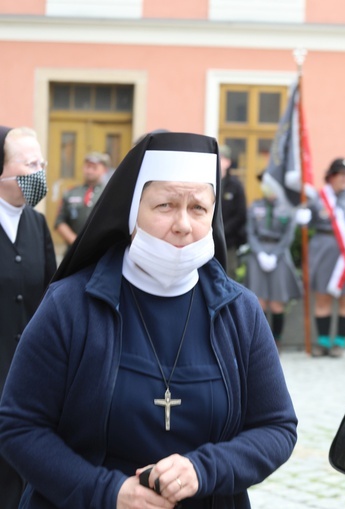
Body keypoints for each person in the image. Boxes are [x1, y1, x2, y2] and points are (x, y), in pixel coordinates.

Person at [0, 131, 297, 508]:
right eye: (165, 205)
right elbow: (20, 426)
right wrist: (108, 492)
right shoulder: (70, 305)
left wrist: (204, 469)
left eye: (198, 208)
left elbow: (277, 427)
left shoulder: (241, 311)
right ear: (131, 210)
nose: (183, 225)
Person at [0, 126, 56, 509]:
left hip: (29, 375)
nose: (40, 172)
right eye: (30, 164)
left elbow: (54, 295)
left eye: (42, 163)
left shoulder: (37, 224)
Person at [307, 157, 345, 357]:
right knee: (322, 296)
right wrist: (302, 219)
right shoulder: (317, 198)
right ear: (331, 176)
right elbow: (307, 224)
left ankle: (339, 342)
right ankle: (322, 342)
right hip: (323, 249)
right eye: (341, 174)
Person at [245, 176, 305, 348]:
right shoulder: (255, 206)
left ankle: (276, 340)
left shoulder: (287, 208)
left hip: (279, 255)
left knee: (277, 301)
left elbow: (289, 236)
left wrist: (275, 255)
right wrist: (260, 252)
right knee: (259, 300)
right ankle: (260, 342)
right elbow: (250, 232)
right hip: (258, 254)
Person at [54, 151, 110, 247]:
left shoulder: (109, 193)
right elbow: (60, 221)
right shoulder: (71, 192)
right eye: (87, 167)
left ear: (104, 170)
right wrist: (75, 241)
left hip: (100, 250)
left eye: (94, 168)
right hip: (73, 250)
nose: (90, 171)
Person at [219, 144, 247, 278]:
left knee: (228, 274)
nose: (218, 161)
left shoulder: (235, 186)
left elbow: (241, 214)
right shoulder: (208, 182)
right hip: (207, 238)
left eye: (222, 158)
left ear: (228, 162)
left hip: (228, 241)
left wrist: (223, 230)